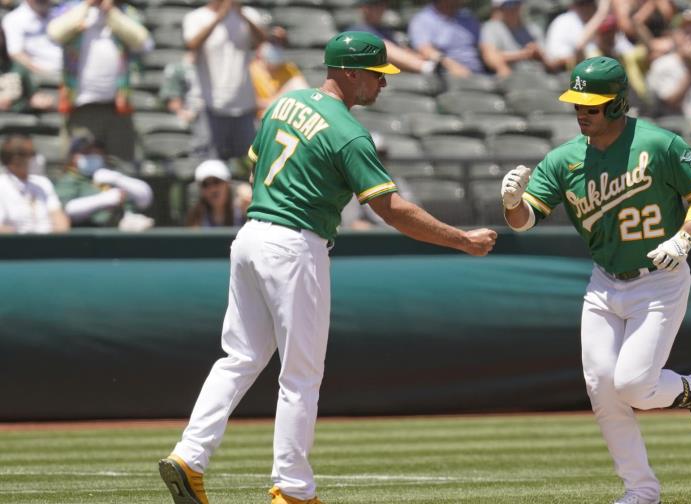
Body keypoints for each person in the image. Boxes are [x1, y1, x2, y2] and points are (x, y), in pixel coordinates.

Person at [158, 31, 497, 504]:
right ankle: (293, 489)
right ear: (351, 72)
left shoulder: (285, 101)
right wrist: (461, 240)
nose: (383, 84)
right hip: (295, 245)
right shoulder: (348, 132)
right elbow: (393, 209)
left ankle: (189, 456)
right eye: (377, 75)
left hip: (251, 235)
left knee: (238, 358)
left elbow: (255, 165)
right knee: (300, 375)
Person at [501, 56, 691, 504]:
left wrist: (684, 239)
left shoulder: (658, 144)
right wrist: (510, 203)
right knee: (602, 388)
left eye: (592, 104)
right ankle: (641, 491)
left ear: (618, 103)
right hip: (604, 283)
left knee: (633, 385)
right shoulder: (564, 159)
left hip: (659, 278)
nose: (581, 111)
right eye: (577, 103)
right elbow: (525, 219)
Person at [47, 0, 155, 163]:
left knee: (120, 166)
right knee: (78, 167)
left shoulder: (125, 12)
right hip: (80, 106)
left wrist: (110, 11)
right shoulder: (71, 9)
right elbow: (55, 34)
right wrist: (86, 6)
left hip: (117, 107)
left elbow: (142, 42)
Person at [183, 0, 265, 160]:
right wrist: (219, 17)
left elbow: (262, 40)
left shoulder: (248, 14)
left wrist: (241, 15)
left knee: (248, 164)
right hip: (211, 106)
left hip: (244, 107)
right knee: (209, 164)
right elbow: (192, 44)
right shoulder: (196, 17)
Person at [54, 130, 154, 228]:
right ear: (74, 157)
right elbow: (67, 210)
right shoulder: (70, 179)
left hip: (124, 230)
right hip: (90, 232)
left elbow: (145, 199)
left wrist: (117, 179)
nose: (93, 155)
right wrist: (105, 199)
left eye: (97, 152)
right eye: (87, 152)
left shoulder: (113, 173)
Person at [645, 8, 691, 118]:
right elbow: (671, 102)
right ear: (674, 36)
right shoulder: (662, 65)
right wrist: (690, 70)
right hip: (673, 128)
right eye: (687, 32)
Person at [348, 0, 446, 75]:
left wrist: (420, 57)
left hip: (396, 70)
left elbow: (401, 51)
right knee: (379, 44)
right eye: (376, 5)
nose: (381, 8)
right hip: (369, 71)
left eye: (383, 4)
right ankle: (426, 67)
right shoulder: (356, 30)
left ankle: (430, 66)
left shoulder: (386, 30)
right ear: (364, 8)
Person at [0, 133, 70, 233]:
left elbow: (61, 223)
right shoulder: (1, 185)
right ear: (16, 158)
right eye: (33, 154)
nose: (37, 158)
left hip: (49, 244)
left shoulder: (43, 183)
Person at [407, 0, 485, 76]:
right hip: (447, 78)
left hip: (479, 75)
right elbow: (425, 50)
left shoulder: (468, 17)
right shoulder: (422, 20)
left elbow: (483, 48)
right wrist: (451, 65)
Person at [251, 25, 309, 117]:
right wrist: (278, 101)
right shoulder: (251, 69)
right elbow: (248, 103)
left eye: (282, 44)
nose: (277, 47)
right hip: (262, 119)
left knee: (297, 83)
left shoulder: (289, 68)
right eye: (273, 42)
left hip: (286, 115)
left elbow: (304, 95)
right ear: (261, 44)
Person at [479, 0, 548, 78]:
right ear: (500, 8)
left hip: (540, 78)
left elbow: (549, 61)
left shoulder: (533, 29)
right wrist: (523, 54)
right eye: (509, 4)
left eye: (516, 3)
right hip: (512, 80)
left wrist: (538, 54)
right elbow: (490, 57)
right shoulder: (491, 28)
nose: (513, 7)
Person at [1, 0, 62, 80]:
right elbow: (15, 54)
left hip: (68, 74)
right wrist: (44, 74)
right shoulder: (14, 19)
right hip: (40, 80)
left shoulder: (59, 15)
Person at [185, 159, 251, 228]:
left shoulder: (243, 210)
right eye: (205, 184)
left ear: (227, 184)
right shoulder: (196, 217)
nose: (212, 189)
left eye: (216, 182)